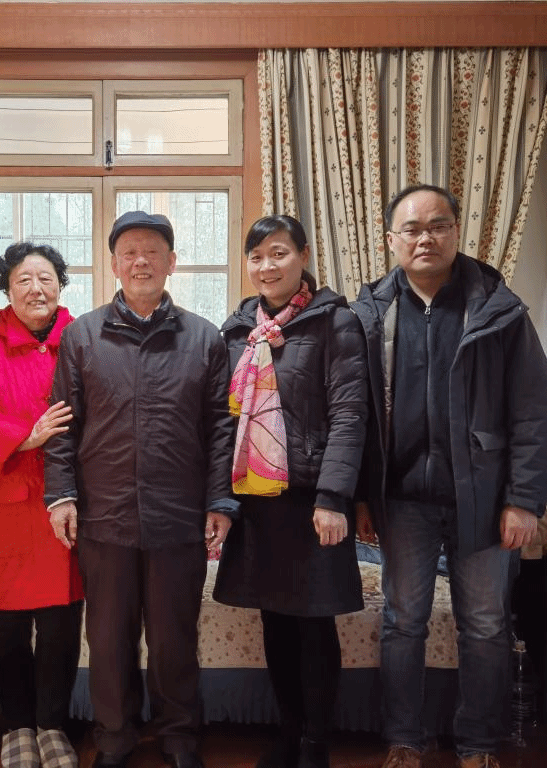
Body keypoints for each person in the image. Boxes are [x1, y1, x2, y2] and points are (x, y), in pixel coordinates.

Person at [352, 185, 547, 768]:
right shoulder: (370, 314)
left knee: (487, 625)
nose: (426, 238)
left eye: (438, 226)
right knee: (402, 621)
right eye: (412, 229)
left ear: (455, 231)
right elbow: (358, 418)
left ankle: (479, 746)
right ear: (391, 239)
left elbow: (536, 413)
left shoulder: (499, 311)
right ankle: (403, 741)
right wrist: (362, 500)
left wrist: (524, 500)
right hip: (402, 502)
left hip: (484, 500)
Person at [44, 211, 239, 768]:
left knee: (175, 640)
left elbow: (221, 430)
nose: (141, 261)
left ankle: (180, 739)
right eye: (129, 252)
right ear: (113, 264)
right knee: (108, 641)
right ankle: (114, 738)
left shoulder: (203, 338)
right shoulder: (83, 336)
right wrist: (61, 495)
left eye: (152, 251)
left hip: (178, 518)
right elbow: (62, 427)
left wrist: (219, 501)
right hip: (103, 518)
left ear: (171, 263)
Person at [213, 215, 368, 768]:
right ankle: (288, 731)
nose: (267, 266)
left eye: (278, 253)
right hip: (257, 498)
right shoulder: (238, 331)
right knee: (274, 620)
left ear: (303, 254)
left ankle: (315, 743)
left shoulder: (336, 323)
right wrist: (222, 501)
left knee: (313, 623)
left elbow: (350, 415)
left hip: (310, 499)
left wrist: (333, 498)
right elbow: (225, 421)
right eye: (256, 257)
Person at [0, 242, 84, 768]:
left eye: (46, 278)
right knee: (6, 622)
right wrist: (27, 435)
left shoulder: (84, 341)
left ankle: (53, 726)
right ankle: (17, 724)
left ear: (61, 286)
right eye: (23, 279)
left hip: (66, 505)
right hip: (2, 505)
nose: (36, 289)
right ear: (6, 288)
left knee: (61, 621)